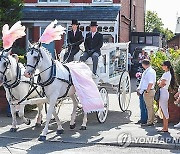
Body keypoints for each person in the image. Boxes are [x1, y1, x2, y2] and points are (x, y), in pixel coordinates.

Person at [157, 61, 176, 132]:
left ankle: (165, 127)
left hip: (163, 92)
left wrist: (159, 82)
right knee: (163, 109)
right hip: (164, 92)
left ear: (166, 66)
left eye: (163, 65)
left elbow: (161, 84)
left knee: (164, 109)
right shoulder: (167, 74)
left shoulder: (166, 75)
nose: (162, 66)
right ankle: (165, 127)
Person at [136, 59, 156, 126]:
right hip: (144, 91)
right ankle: (143, 119)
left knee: (148, 107)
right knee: (143, 106)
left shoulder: (150, 72)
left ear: (143, 64)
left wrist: (147, 91)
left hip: (147, 91)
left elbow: (150, 83)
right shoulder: (147, 71)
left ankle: (149, 121)